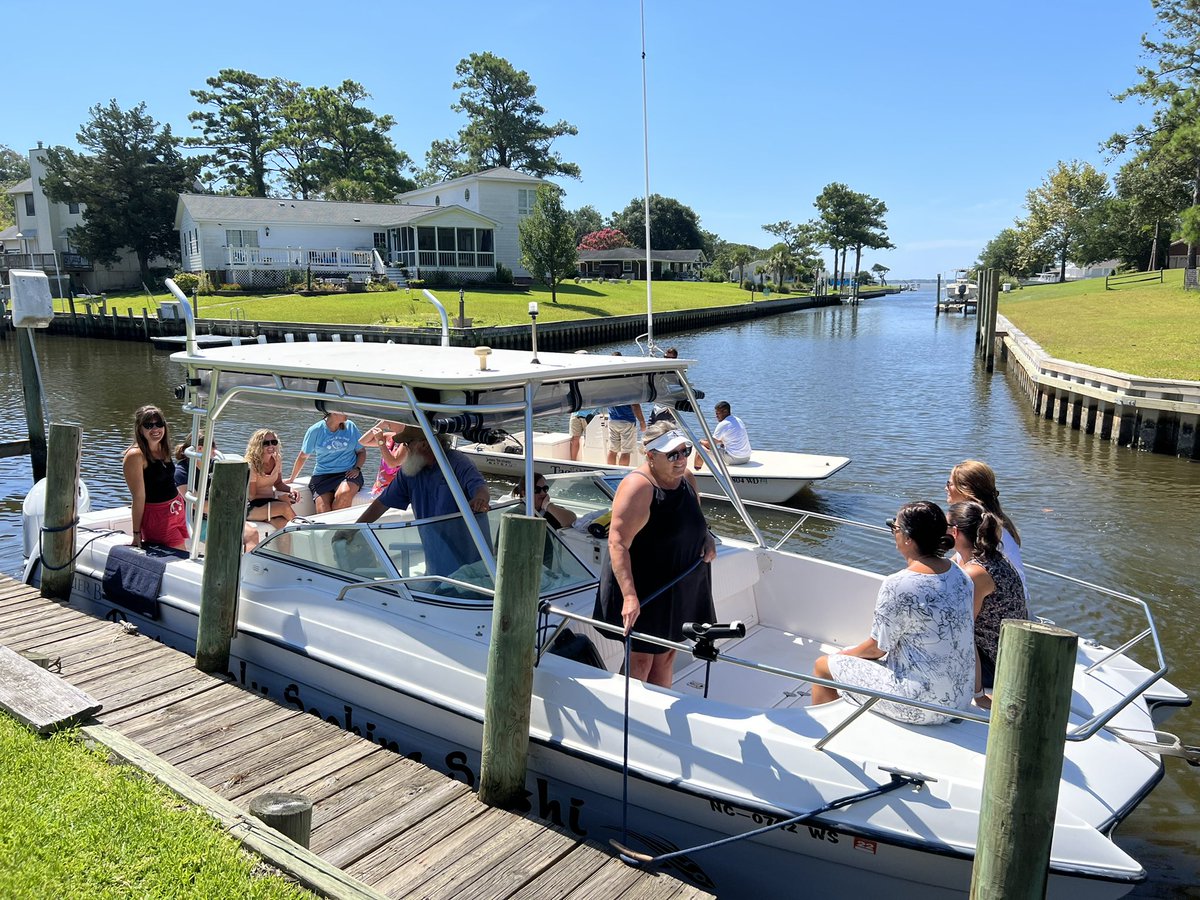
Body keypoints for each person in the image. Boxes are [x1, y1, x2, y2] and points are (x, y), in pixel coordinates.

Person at [811, 501, 975, 725]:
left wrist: (839, 657)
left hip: (923, 704)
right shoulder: (961, 574)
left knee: (823, 666)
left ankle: (823, 736)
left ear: (907, 538)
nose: (893, 533)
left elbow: (877, 649)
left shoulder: (898, 584)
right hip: (959, 699)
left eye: (894, 528)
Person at [594, 422, 717, 687]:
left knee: (667, 655)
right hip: (647, 588)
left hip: (680, 582)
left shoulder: (686, 478)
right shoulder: (639, 487)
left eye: (684, 451)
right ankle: (625, 713)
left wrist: (706, 538)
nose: (681, 459)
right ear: (650, 456)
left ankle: (657, 711)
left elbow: (695, 518)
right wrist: (629, 596)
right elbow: (617, 543)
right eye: (672, 454)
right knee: (640, 660)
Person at [351, 427, 491, 576]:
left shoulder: (457, 462)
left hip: (471, 564)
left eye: (407, 443)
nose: (405, 448)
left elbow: (479, 487)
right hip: (435, 562)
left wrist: (480, 500)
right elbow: (382, 503)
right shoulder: (409, 471)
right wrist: (353, 529)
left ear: (424, 444)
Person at [947, 500, 1029, 704]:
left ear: (955, 532)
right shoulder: (994, 558)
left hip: (993, 666)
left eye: (945, 527)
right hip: (1009, 655)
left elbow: (965, 632)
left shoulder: (975, 574)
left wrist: (979, 696)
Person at [945, 460, 1027, 596]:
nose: (946, 488)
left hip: (998, 601)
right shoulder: (987, 520)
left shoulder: (982, 527)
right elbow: (956, 560)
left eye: (950, 484)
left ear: (965, 490)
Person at [175, 432, 259, 552]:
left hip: (218, 515)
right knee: (227, 538)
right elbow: (195, 504)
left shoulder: (214, 466)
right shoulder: (182, 471)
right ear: (199, 448)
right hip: (196, 520)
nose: (216, 449)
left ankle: (245, 569)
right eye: (213, 445)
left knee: (252, 534)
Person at [124, 405, 187, 550]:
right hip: (158, 517)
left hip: (176, 510)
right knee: (180, 555)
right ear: (140, 429)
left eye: (159, 424)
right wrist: (136, 533)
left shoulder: (162, 448)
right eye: (148, 425)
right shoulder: (135, 455)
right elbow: (138, 497)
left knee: (181, 551)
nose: (155, 429)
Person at [290, 410, 365, 513]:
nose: (348, 413)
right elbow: (303, 456)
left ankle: (339, 528)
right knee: (323, 510)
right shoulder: (315, 430)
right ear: (333, 412)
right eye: (344, 411)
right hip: (322, 476)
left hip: (348, 473)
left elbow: (361, 452)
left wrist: (357, 468)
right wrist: (292, 478)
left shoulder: (351, 426)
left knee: (343, 495)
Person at [245, 429, 299, 529]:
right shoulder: (251, 465)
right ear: (258, 445)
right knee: (284, 507)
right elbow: (252, 496)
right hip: (251, 506)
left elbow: (278, 483)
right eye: (266, 443)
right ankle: (305, 531)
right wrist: (278, 498)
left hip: (269, 503)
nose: (271, 446)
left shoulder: (277, 459)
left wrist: (291, 490)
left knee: (284, 525)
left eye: (274, 442)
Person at [606, 354, 646, 467]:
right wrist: (642, 422)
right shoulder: (627, 382)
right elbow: (635, 405)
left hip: (613, 419)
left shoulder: (608, 382)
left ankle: (610, 473)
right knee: (625, 452)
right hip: (627, 421)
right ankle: (621, 474)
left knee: (613, 450)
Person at [694, 401, 751, 470]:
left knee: (700, 448)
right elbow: (720, 440)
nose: (716, 416)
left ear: (725, 411)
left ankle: (697, 471)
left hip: (734, 459)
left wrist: (700, 441)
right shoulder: (738, 420)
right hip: (746, 457)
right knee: (722, 444)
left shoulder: (724, 424)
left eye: (718, 413)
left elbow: (710, 444)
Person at [358, 419, 408, 496]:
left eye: (389, 418)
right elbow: (363, 441)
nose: (386, 420)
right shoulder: (389, 437)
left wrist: (380, 441)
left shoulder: (407, 442)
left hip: (396, 491)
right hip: (380, 488)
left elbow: (392, 463)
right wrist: (379, 425)